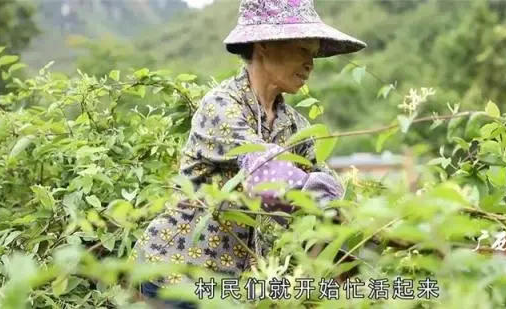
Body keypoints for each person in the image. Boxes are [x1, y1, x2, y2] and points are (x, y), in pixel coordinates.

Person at [132, 0, 366, 307]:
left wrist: (358, 237)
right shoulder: (221, 106)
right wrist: (322, 195)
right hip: (175, 270)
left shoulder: (295, 125)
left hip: (231, 282)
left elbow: (326, 192)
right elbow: (267, 173)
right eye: (302, 50)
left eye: (312, 54)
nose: (310, 63)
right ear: (264, 45)